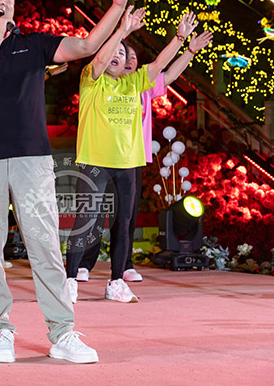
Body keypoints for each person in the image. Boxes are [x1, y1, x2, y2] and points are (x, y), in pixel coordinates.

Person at [0, 0, 141, 364]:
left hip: (32, 160)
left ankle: (62, 332)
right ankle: (1, 330)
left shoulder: (33, 44)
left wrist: (117, 8)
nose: (1, 1)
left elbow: (86, 45)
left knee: (45, 246)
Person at [74, 18, 213, 285]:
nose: (128, 60)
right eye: (122, 54)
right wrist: (123, 30)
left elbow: (168, 73)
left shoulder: (142, 86)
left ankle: (124, 265)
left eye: (132, 57)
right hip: (100, 157)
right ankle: (83, 264)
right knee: (93, 214)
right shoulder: (99, 83)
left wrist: (189, 49)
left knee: (125, 217)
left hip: (131, 159)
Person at [65, 7, 186, 303]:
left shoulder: (133, 83)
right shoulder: (91, 80)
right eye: (113, 51)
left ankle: (116, 281)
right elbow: (100, 60)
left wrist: (180, 39)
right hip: (95, 162)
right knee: (85, 219)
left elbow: (160, 65)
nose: (117, 56)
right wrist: (123, 30)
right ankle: (69, 280)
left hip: (126, 164)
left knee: (123, 223)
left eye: (123, 53)